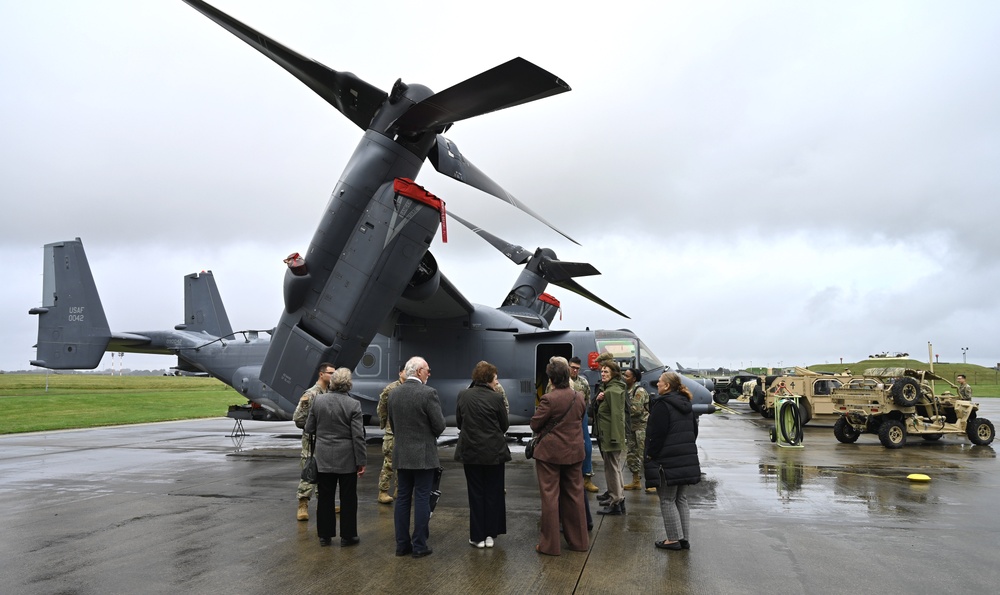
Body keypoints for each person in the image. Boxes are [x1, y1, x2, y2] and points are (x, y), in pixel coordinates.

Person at [387, 356, 446, 558]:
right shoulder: (428, 393)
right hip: (423, 455)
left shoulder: (393, 394)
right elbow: (439, 425)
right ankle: (419, 545)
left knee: (402, 498)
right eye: (428, 370)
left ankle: (402, 545)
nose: (429, 374)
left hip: (402, 454)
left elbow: (393, 425)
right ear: (419, 371)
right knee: (422, 498)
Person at [530, 358, 589, 555]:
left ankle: (550, 545)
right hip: (574, 452)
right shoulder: (578, 397)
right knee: (575, 496)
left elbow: (535, 424)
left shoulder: (549, 399)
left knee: (550, 497)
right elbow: (579, 418)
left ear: (551, 379)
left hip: (550, 454)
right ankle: (579, 542)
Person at [304, 368, 367, 547]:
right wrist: (361, 461)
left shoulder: (318, 401)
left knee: (325, 496)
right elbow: (358, 436)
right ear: (348, 384)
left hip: (323, 456)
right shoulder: (353, 405)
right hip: (346, 458)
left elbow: (309, 428)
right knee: (348, 498)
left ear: (332, 383)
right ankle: (348, 535)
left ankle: (325, 535)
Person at [455, 361, 511, 548]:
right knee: (493, 493)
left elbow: (458, 422)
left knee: (476, 493)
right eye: (495, 378)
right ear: (488, 379)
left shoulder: (463, 395)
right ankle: (490, 535)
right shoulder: (496, 398)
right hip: (494, 453)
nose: (497, 382)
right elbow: (504, 425)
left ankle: (477, 536)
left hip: (471, 452)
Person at [645, 371, 701, 551]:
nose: (658, 384)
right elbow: (694, 431)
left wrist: (651, 455)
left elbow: (656, 435)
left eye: (660, 382)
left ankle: (672, 539)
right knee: (681, 498)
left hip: (667, 460)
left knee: (667, 499)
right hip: (685, 458)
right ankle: (684, 538)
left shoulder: (662, 405)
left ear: (667, 386)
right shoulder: (686, 404)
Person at [292, 362, 333, 521]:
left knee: (325, 474)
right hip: (312, 441)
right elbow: (298, 419)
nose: (333, 376)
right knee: (309, 472)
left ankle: (324, 504)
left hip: (326, 441)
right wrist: (314, 427)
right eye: (330, 373)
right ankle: (303, 505)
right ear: (321, 374)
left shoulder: (330, 393)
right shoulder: (311, 394)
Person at [594, 360, 628, 515]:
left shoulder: (612, 391)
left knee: (612, 469)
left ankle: (615, 501)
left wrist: (614, 437)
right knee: (615, 467)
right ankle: (619, 498)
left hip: (610, 435)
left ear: (614, 373)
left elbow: (616, 415)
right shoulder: (611, 389)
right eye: (602, 371)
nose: (603, 374)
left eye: (606, 371)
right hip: (609, 434)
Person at [377, 366, 407, 505]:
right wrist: (384, 424)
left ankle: (399, 490)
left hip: (405, 431)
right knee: (389, 463)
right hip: (392, 431)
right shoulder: (391, 389)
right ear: (400, 372)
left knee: (403, 464)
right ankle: (383, 492)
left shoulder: (410, 388)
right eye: (405, 371)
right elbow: (382, 407)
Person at [570, 357, 599, 493]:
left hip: (581, 416)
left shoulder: (583, 382)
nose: (575, 370)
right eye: (572, 367)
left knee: (586, 446)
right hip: (565, 419)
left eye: (577, 368)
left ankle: (587, 478)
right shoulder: (560, 381)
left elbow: (587, 399)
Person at [622, 367, 651, 492]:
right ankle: (635, 481)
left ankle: (652, 482)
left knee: (644, 455)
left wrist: (620, 411)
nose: (624, 377)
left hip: (641, 429)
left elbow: (637, 410)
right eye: (624, 375)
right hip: (631, 429)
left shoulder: (639, 391)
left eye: (627, 376)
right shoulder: (626, 391)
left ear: (634, 379)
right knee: (631, 455)